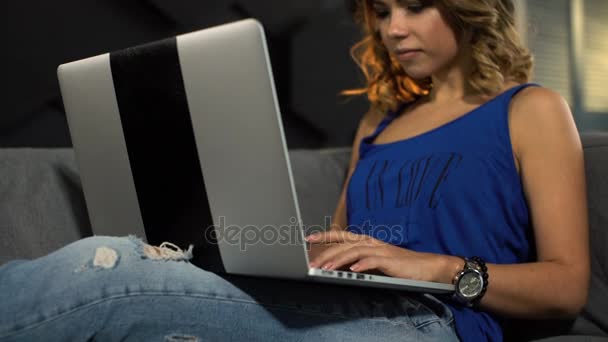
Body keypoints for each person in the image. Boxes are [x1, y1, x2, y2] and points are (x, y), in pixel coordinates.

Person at [0, 0, 589, 341]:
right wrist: (305, 255)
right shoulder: (379, 122)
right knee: (130, 261)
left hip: (436, 320)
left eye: (414, 5)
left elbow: (567, 288)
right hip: (351, 303)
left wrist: (435, 267)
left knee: (108, 271)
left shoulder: (531, 110)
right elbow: (345, 241)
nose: (393, 28)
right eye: (382, 11)